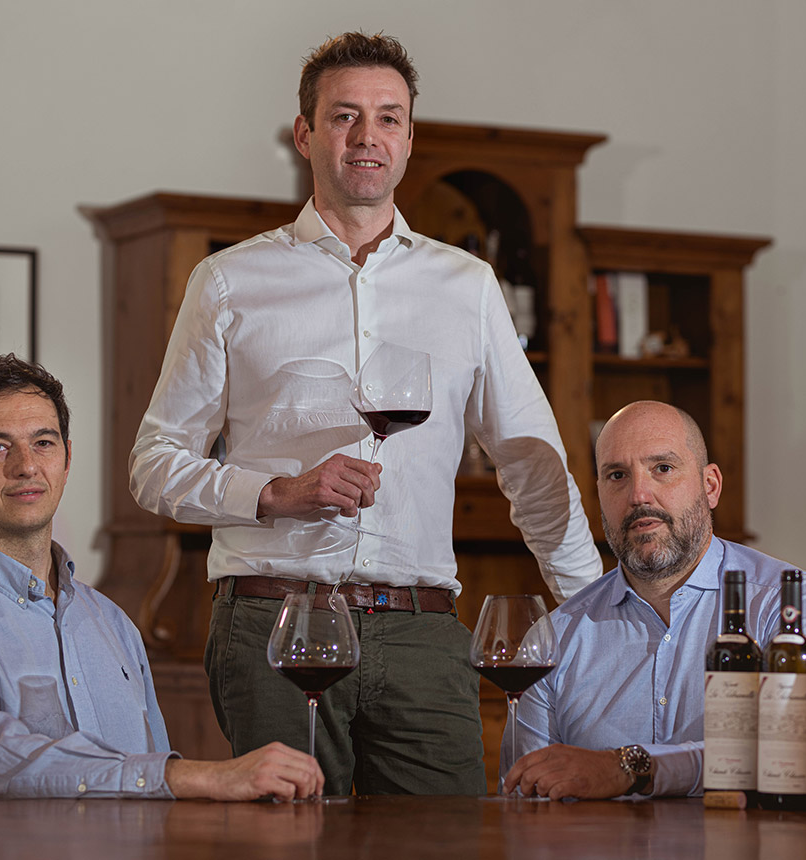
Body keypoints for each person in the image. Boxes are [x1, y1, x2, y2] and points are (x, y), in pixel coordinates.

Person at [129, 32, 601, 796]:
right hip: (275, 627)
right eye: (345, 116)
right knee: (289, 849)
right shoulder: (228, 282)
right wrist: (276, 493)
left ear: (410, 138)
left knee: (446, 844)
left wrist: (590, 611)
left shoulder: (468, 286)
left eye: (388, 117)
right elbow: (154, 467)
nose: (367, 137)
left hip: (422, 631)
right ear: (306, 134)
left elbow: (532, 465)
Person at [0, 354, 324, 802]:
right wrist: (198, 777)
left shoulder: (112, 623)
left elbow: (153, 787)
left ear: (67, 459)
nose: (25, 466)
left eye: (44, 443)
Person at [501, 400, 806, 799]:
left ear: (710, 486)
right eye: (617, 475)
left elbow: (796, 755)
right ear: (600, 495)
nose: (639, 494)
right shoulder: (555, 637)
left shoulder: (782, 602)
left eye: (663, 468)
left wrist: (628, 768)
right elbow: (528, 794)